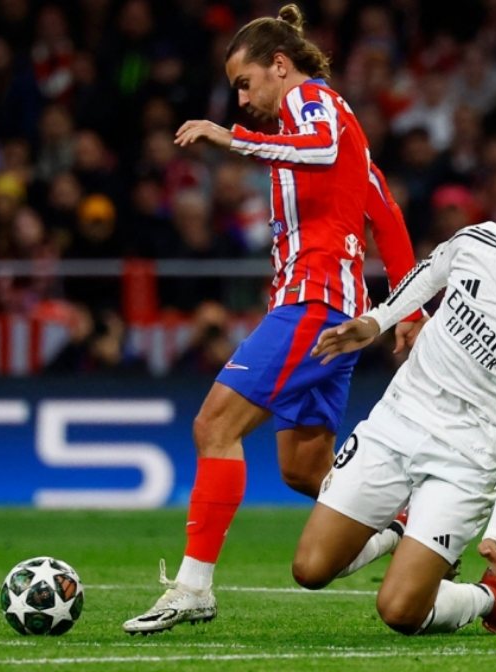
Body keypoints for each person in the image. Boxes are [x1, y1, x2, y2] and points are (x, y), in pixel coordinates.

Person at [123, 4, 423, 634]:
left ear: (279, 65)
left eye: (245, 82)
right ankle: (405, 525)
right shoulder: (337, 124)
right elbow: (385, 211)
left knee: (214, 425)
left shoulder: (313, 103)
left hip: (315, 301)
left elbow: (318, 149)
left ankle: (193, 588)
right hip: (331, 305)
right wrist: (409, 308)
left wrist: (230, 137)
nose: (242, 99)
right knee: (305, 470)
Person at [292, 209, 496, 636]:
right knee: (310, 569)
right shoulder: (479, 244)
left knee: (400, 611)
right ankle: (399, 531)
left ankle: (492, 597)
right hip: (396, 422)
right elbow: (430, 274)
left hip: (466, 463)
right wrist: (377, 320)